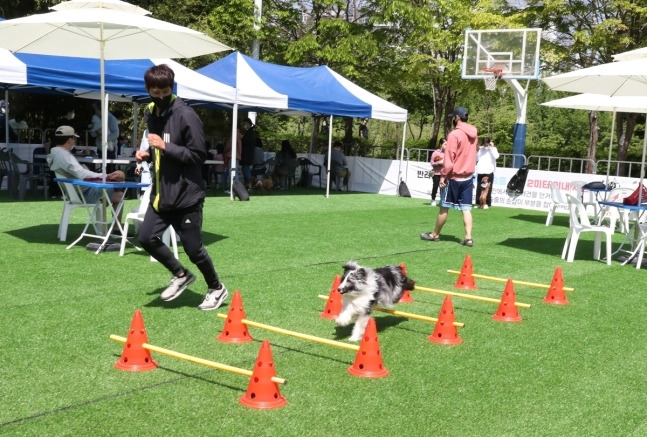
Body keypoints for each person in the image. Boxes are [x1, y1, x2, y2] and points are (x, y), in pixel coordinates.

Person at [135, 64, 228, 311]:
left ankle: (216, 288)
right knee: (146, 237)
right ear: (148, 90)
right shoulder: (151, 112)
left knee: (194, 250)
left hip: (186, 194)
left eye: (165, 91)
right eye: (156, 92)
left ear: (172, 87)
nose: (161, 96)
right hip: (162, 193)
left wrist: (165, 148)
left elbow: (198, 155)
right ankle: (181, 274)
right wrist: (146, 155)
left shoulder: (186, 115)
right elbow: (158, 145)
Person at [420, 107, 477, 246]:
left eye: (453, 117)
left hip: (453, 177)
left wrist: (443, 177)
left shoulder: (454, 134)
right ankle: (468, 237)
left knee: (444, 208)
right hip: (468, 176)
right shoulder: (474, 133)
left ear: (457, 117)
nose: (453, 119)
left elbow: (449, 160)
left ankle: (435, 234)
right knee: (466, 208)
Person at [46, 125, 125, 216]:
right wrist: (105, 176)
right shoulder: (64, 156)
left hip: (76, 193)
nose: (74, 141)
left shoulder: (56, 154)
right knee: (119, 193)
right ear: (70, 140)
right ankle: (116, 228)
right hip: (84, 194)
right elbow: (82, 174)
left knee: (117, 181)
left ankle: (110, 228)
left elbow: (78, 172)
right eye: (74, 139)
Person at [475, 137, 499, 209]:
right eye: (485, 143)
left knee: (488, 188)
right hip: (480, 170)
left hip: (489, 170)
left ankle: (487, 203)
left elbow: (496, 156)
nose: (486, 145)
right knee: (479, 187)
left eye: (487, 143)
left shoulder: (493, 149)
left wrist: (491, 148)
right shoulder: (481, 149)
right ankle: (479, 203)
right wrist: (477, 151)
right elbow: (477, 159)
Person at [223, 128, 242, 194]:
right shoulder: (240, 136)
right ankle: (236, 189)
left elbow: (228, 145)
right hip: (237, 156)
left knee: (232, 173)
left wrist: (225, 150)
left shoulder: (234, 135)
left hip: (232, 155)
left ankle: (234, 189)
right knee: (235, 172)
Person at [240, 117, 257, 189]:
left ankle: (249, 185)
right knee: (245, 169)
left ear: (247, 123)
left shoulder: (249, 133)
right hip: (248, 154)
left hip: (246, 155)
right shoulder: (251, 132)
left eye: (244, 124)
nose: (244, 125)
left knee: (246, 170)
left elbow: (245, 142)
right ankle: (248, 184)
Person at [430, 138, 446, 207]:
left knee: (443, 188)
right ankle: (433, 199)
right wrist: (439, 163)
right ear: (440, 144)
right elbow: (432, 163)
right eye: (445, 144)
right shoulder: (435, 153)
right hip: (436, 173)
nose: (446, 146)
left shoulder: (448, 153)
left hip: (445, 174)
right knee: (435, 187)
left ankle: (442, 200)